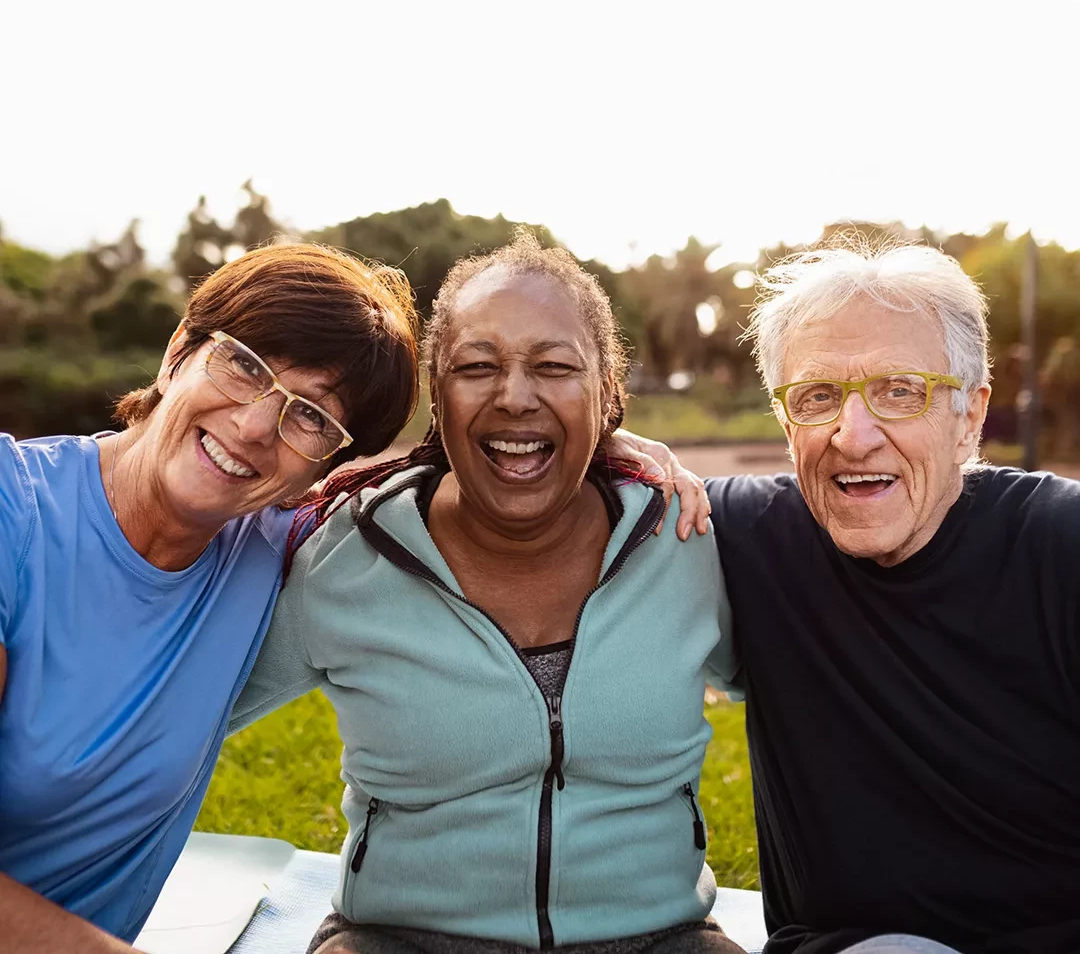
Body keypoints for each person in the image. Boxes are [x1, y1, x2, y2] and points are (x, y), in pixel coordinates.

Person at [233, 235, 742, 954]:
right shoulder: (343, 556)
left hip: (661, 937)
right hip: (396, 937)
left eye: (555, 367)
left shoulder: (690, 540)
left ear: (608, 395)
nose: (514, 395)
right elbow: (183, 717)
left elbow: (813, 697)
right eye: (476, 368)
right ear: (438, 399)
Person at [622, 243, 1080, 954]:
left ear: (970, 415)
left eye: (901, 390)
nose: (853, 435)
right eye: (817, 396)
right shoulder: (739, 537)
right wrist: (600, 441)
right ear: (785, 423)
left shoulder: (1061, 544)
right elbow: (552, 479)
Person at [0, 243, 421, 953]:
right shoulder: (16, 514)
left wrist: (619, 446)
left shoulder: (282, 545)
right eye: (245, 365)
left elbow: (473, 488)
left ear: (322, 469)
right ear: (177, 354)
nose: (256, 426)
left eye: (311, 417)